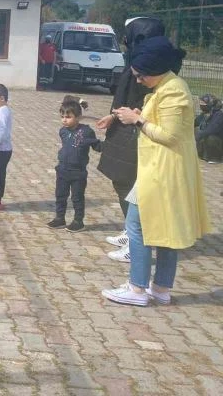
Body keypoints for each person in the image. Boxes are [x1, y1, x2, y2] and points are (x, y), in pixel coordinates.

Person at [102, 36, 210, 307]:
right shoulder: (167, 85)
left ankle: (137, 288)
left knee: (137, 225)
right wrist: (131, 115)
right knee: (165, 229)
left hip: (163, 171)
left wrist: (137, 120)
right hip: (160, 170)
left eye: (141, 75)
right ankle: (160, 288)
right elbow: (163, 121)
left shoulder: (173, 91)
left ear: (156, 68)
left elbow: (170, 136)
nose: (138, 80)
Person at [96, 17, 168, 262]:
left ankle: (138, 241)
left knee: (132, 186)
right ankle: (131, 231)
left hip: (137, 132)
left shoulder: (153, 68)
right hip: (124, 127)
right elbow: (125, 98)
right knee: (121, 181)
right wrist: (113, 116)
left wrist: (132, 118)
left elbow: (143, 105)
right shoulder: (136, 62)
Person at [47, 97, 101, 232]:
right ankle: (60, 218)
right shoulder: (63, 131)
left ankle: (78, 221)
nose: (64, 120)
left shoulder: (86, 132)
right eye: (62, 117)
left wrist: (112, 143)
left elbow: (97, 146)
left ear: (78, 117)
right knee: (60, 195)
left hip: (78, 172)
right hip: (62, 170)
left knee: (77, 197)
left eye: (68, 117)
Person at [195, 94, 223, 163]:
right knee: (196, 131)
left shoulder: (219, 115)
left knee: (210, 137)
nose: (201, 105)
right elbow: (194, 123)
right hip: (209, 138)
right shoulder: (204, 114)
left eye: (203, 104)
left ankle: (215, 158)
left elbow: (211, 130)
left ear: (210, 104)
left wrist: (198, 136)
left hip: (219, 141)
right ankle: (202, 154)